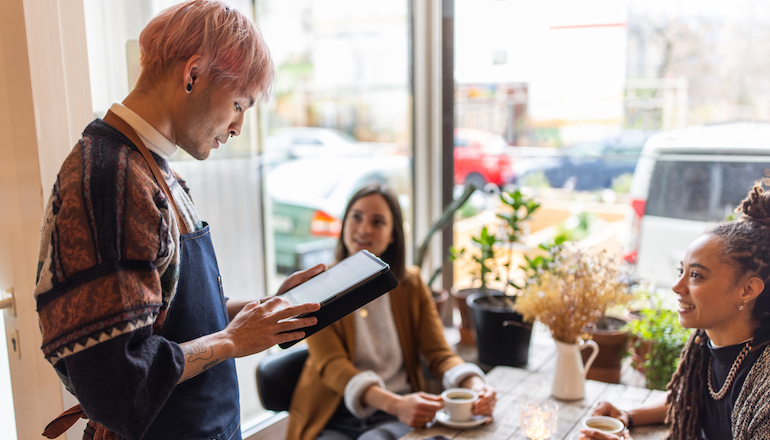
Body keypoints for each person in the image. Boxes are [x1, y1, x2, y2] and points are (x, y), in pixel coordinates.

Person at [33, 2, 323, 439]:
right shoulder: (111, 180)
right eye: (239, 104)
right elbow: (116, 381)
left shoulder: (152, 169)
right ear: (192, 75)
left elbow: (166, 317)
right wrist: (230, 341)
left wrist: (259, 312)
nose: (237, 127)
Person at [286, 184, 497, 440]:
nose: (364, 229)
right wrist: (394, 403)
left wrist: (474, 384)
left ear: (392, 235)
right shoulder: (318, 288)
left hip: (395, 412)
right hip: (334, 414)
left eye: (378, 222)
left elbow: (439, 354)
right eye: (356, 217)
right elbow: (332, 365)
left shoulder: (411, 284)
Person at [580, 183, 770, 440]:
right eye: (681, 271)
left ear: (747, 289)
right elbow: (689, 397)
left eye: (696, 275)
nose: (676, 286)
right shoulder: (707, 343)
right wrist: (628, 415)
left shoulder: (764, 384)